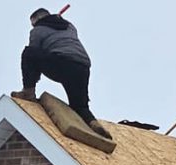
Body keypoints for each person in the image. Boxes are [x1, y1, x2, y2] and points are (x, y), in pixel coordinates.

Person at [10, 8, 112, 140]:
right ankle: (93, 123)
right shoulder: (69, 26)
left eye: (32, 23)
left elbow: (34, 52)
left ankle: (28, 92)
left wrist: (33, 78)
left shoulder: (37, 30)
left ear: (36, 20)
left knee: (29, 54)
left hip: (62, 64)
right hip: (82, 66)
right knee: (79, 106)